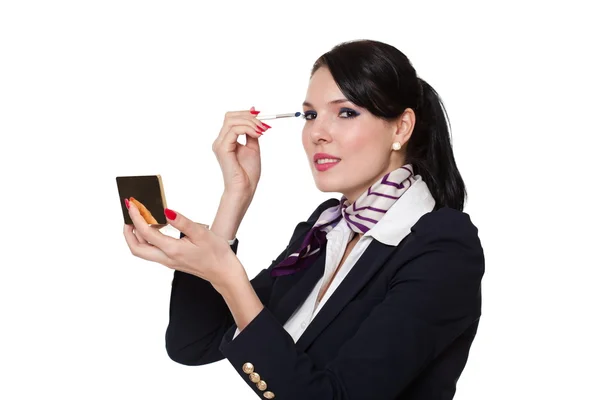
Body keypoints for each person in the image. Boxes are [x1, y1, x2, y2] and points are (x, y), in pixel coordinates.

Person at [123, 39, 485, 400]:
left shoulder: (444, 246)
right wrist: (236, 195)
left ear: (401, 127)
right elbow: (193, 344)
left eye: (345, 113)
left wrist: (227, 273)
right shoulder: (328, 227)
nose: (317, 133)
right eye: (310, 115)